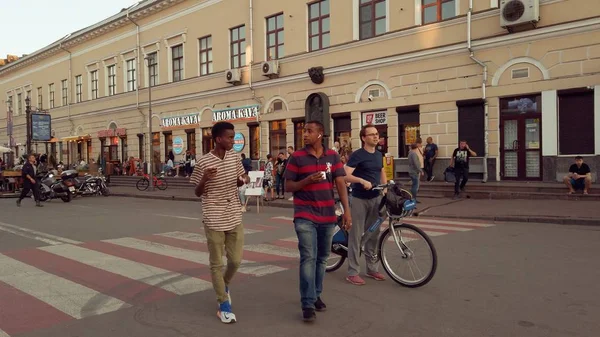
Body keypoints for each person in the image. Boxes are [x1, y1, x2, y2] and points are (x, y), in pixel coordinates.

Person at [284, 120, 351, 322]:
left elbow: (340, 183)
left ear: (320, 134)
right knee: (308, 257)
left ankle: (315, 294)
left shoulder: (332, 156)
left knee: (322, 258)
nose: (305, 134)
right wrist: (306, 181)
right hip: (305, 215)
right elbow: (288, 186)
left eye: (309, 131)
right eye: (304, 131)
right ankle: (307, 303)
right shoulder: (297, 157)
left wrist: (346, 211)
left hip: (328, 215)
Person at [190, 121, 250, 324]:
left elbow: (238, 178)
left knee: (235, 260)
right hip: (213, 215)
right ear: (218, 139)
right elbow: (197, 192)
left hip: (233, 213)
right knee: (216, 263)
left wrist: (244, 180)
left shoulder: (234, 156)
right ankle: (223, 304)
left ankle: (223, 284)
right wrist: (205, 178)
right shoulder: (204, 162)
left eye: (234, 137)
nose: (233, 140)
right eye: (230, 137)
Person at [343, 124, 388, 285]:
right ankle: (353, 272)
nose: (376, 137)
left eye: (377, 134)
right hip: (359, 199)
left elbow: (381, 170)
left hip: (376, 198)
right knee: (356, 235)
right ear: (364, 138)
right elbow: (345, 175)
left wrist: (386, 188)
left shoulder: (378, 154)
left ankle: (372, 269)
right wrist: (361, 180)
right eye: (372, 134)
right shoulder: (358, 155)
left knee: (373, 234)